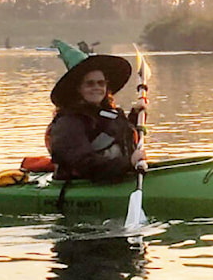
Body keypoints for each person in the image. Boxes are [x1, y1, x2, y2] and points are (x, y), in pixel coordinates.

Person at [46, 40, 146, 182]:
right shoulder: (68, 123)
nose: (97, 88)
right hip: (82, 186)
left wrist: (136, 115)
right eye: (89, 83)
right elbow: (84, 163)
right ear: (78, 89)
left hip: (117, 178)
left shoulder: (110, 115)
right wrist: (128, 163)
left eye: (101, 83)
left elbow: (120, 137)